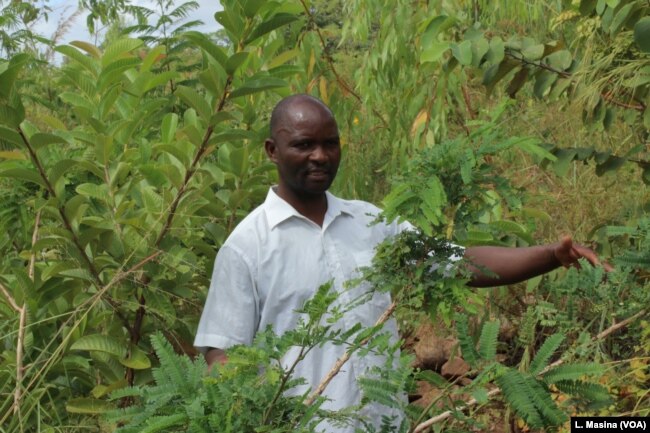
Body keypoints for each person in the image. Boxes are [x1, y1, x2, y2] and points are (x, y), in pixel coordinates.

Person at [193, 94, 610, 432]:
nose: (320, 156)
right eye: (304, 144)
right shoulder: (247, 246)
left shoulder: (371, 222)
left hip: (385, 422)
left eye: (331, 143)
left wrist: (551, 256)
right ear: (272, 150)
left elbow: (458, 263)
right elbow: (223, 356)